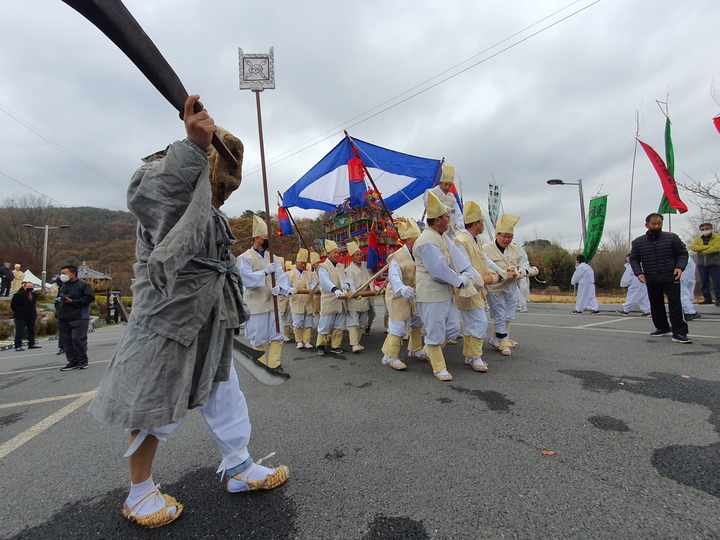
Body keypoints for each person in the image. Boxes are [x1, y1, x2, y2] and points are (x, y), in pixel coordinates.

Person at [88, 96, 288, 528]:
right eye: (219, 180)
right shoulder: (164, 182)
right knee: (153, 399)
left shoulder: (212, 214)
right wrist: (194, 147)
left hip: (209, 317)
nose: (221, 192)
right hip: (169, 318)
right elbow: (162, 197)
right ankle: (139, 491)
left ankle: (238, 466)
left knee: (225, 392)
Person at [414, 190, 473, 381]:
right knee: (436, 331)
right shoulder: (426, 241)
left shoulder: (439, 236)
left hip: (445, 293)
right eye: (447, 216)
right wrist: (459, 280)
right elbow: (438, 270)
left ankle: (429, 350)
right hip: (431, 294)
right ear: (438, 219)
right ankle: (439, 367)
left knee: (453, 329)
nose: (450, 219)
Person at [453, 202, 505, 372]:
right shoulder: (460, 241)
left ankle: (470, 356)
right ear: (476, 223)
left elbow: (484, 260)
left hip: (479, 287)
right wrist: (488, 278)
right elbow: (465, 266)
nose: (483, 224)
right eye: (482, 222)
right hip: (468, 288)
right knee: (480, 322)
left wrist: (500, 271)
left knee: (471, 323)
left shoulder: (476, 240)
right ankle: (476, 357)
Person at [238, 215, 291, 375]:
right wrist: (264, 273)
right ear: (257, 238)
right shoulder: (244, 258)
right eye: (266, 237)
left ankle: (275, 364)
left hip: (272, 303)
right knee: (258, 336)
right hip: (257, 304)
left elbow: (282, 277)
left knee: (277, 333)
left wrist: (280, 288)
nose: (269, 240)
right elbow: (246, 279)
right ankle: (259, 364)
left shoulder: (272, 257)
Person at [629, 213, 690, 343]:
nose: (656, 226)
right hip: (651, 278)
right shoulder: (639, 242)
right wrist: (638, 272)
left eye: (659, 223)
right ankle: (662, 327)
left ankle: (680, 332)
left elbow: (683, 254)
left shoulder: (672, 238)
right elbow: (634, 259)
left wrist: (680, 267)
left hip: (670, 276)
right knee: (656, 305)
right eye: (653, 224)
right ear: (647, 225)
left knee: (675, 304)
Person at [380, 218, 427, 370]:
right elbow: (393, 278)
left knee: (417, 321)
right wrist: (402, 289)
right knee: (399, 325)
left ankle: (415, 349)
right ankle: (392, 357)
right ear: (409, 240)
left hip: (415, 294)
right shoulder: (397, 257)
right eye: (417, 238)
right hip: (397, 295)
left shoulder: (420, 254)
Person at [482, 215, 525, 356]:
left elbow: (524, 264)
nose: (507, 240)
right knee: (500, 314)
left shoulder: (515, 248)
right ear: (497, 235)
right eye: (504, 236)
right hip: (495, 287)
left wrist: (521, 272)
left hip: (511, 285)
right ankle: (502, 341)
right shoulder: (486, 248)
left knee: (509, 314)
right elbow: (485, 265)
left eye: (510, 236)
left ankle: (497, 338)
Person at [56, 265, 96, 370]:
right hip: (63, 318)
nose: (62, 276)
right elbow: (58, 300)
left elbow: (89, 298)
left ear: (72, 274)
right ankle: (72, 361)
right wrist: (58, 310)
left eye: (64, 273)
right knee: (66, 341)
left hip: (79, 317)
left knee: (77, 339)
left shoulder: (83, 285)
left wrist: (73, 302)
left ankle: (83, 361)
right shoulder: (63, 287)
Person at [316, 240, 350, 355]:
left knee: (339, 324)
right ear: (328, 254)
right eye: (334, 252)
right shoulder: (323, 266)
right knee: (325, 322)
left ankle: (336, 346)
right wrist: (334, 289)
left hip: (341, 299)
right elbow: (325, 281)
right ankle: (321, 345)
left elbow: (345, 277)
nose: (337, 255)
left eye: (338, 253)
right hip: (329, 298)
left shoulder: (340, 266)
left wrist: (347, 284)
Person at [344, 241, 373, 353]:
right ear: (352, 257)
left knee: (362, 322)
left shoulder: (366, 266)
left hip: (365, 298)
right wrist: (354, 294)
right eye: (356, 255)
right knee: (353, 322)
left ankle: (358, 342)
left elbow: (372, 276)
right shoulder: (348, 270)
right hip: (354, 298)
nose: (359, 257)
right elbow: (350, 284)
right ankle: (354, 344)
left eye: (360, 254)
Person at [287, 248, 317, 349]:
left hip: (308, 301)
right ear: (296, 262)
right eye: (301, 263)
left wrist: (313, 287)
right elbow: (286, 287)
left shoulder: (309, 274)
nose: (303, 265)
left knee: (308, 322)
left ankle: (307, 341)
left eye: (304, 263)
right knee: (297, 322)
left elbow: (314, 284)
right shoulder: (289, 274)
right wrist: (290, 290)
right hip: (296, 301)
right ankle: (299, 341)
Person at [422, 165, 463, 238]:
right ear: (440, 183)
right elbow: (431, 207)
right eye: (445, 184)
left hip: (450, 231)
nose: (447, 187)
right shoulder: (430, 193)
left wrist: (459, 227)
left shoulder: (452, 197)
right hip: (435, 230)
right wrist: (447, 209)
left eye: (450, 185)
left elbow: (457, 214)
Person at [690, 222, 720, 306]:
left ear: (711, 229)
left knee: (717, 282)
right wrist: (707, 247)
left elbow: (716, 248)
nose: (705, 231)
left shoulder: (717, 238)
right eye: (702, 229)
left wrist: (701, 249)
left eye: (707, 229)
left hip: (714, 264)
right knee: (704, 282)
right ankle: (707, 298)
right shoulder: (698, 239)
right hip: (702, 264)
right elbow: (693, 247)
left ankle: (719, 299)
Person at [11, 281, 42, 351]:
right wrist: (18, 312)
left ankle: (31, 343)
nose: (30, 288)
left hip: (31, 315)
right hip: (21, 316)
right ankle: (18, 345)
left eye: (31, 287)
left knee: (31, 330)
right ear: (24, 287)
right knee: (20, 331)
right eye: (28, 287)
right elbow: (13, 305)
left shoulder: (34, 295)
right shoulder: (18, 295)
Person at [680, 254, 701, 320]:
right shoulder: (686, 256)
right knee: (688, 294)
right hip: (689, 276)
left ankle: (689, 312)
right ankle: (688, 310)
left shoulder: (676, 254)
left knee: (682, 294)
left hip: (681, 277)